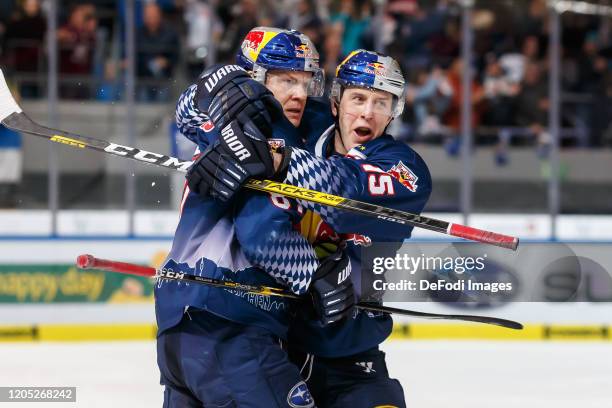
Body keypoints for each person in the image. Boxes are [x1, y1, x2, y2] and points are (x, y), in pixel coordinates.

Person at [189, 49, 433, 407]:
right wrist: (228, 142)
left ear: (394, 112)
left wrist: (276, 158)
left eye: (382, 103)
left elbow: (344, 194)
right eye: (359, 99)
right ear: (335, 102)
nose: (367, 112)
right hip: (280, 345)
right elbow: (193, 111)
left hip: (351, 354)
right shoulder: (303, 124)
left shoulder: (404, 168)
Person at [156, 27, 352, 407]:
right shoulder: (269, 134)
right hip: (233, 331)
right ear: (255, 80)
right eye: (286, 80)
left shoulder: (223, 129)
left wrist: (219, 82)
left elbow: (189, 109)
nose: (299, 93)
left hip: (177, 331)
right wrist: (316, 275)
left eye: (306, 81)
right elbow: (262, 234)